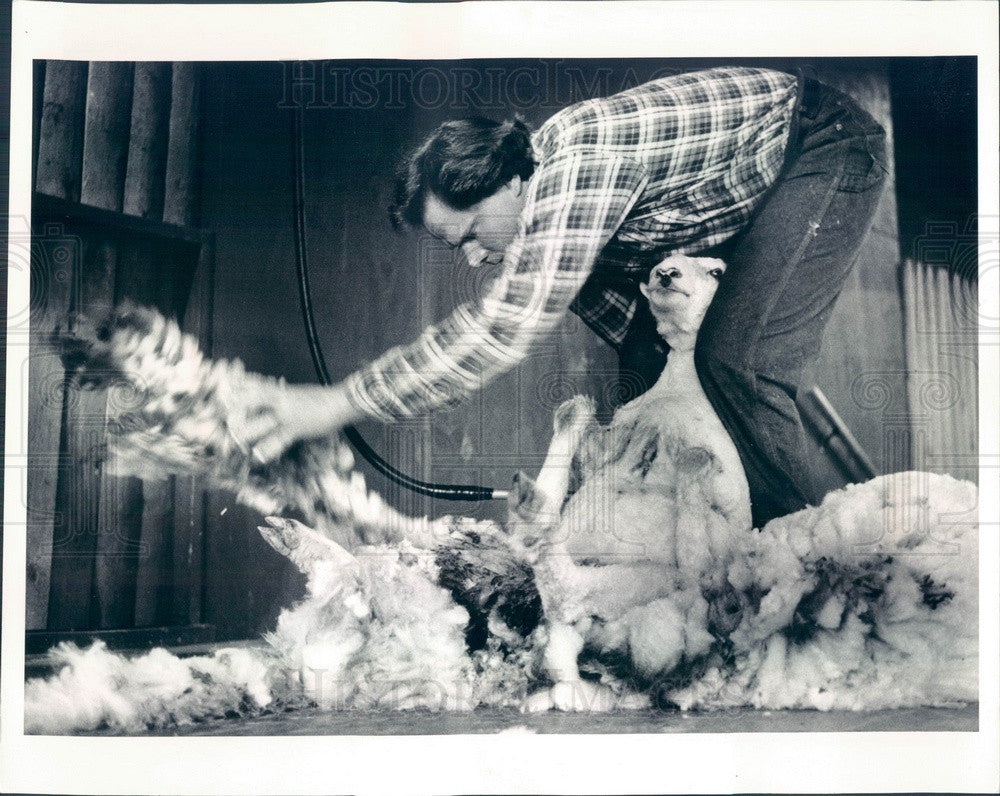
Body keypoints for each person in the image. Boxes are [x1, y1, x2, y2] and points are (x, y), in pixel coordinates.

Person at [239, 65, 887, 528]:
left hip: (823, 142)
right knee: (648, 392)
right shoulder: (551, 225)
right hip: (750, 192)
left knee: (740, 362)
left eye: (468, 235)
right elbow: (640, 342)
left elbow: (501, 331)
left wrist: (339, 402)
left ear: (508, 184)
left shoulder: (575, 165)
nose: (473, 259)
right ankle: (697, 572)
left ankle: (820, 577)